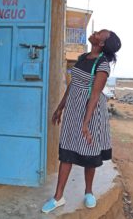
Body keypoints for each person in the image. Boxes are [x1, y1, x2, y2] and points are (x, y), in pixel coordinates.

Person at [42, 29, 121, 214]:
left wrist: (86, 123)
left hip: (91, 113)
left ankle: (88, 191)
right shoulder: (84, 57)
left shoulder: (103, 65)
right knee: (67, 152)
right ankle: (58, 197)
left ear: (101, 43)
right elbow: (73, 83)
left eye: (100, 33)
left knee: (89, 153)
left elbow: (94, 96)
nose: (95, 32)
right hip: (73, 111)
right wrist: (61, 107)